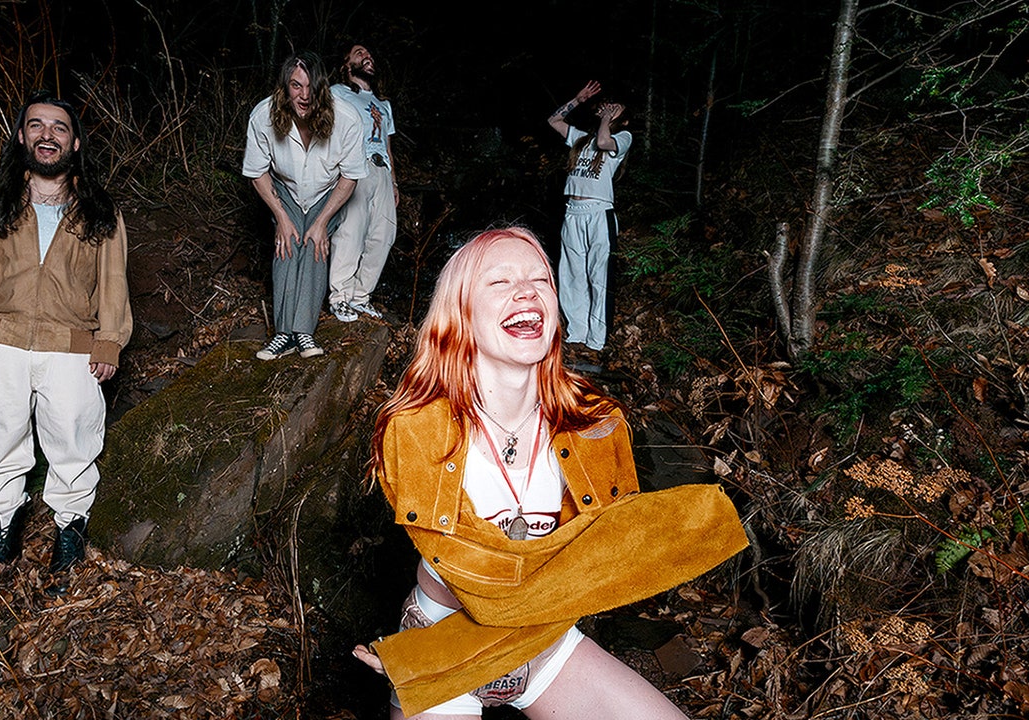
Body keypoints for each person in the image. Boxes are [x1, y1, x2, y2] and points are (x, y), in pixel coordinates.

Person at [351, 227, 747, 718]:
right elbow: (484, 585)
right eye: (500, 282)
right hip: (441, 640)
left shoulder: (596, 423)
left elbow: (604, 557)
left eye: (540, 279)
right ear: (460, 313)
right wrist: (424, 659)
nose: (526, 291)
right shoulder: (415, 429)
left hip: (544, 644)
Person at [0, 90, 132, 597]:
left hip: (71, 346)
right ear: (21, 136)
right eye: (36, 125)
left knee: (73, 444)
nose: (47, 135)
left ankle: (68, 540)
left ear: (75, 143)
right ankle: (1, 540)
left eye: (59, 127)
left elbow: (114, 282)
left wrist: (108, 342)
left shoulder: (100, 210)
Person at [243, 51, 367, 360]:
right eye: (296, 86)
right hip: (285, 189)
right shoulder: (262, 116)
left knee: (314, 242)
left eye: (311, 87)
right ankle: (283, 335)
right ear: (285, 87)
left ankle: (303, 333)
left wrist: (322, 222)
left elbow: (350, 177)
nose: (305, 95)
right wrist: (281, 217)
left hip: (327, 191)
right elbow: (257, 172)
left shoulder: (348, 118)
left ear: (322, 87)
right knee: (287, 241)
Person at [548, 81, 632, 351]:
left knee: (599, 275)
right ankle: (577, 334)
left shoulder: (623, 137)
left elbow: (604, 141)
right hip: (573, 212)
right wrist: (578, 99)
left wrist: (607, 119)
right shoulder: (581, 139)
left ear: (623, 118)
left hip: (599, 213)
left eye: (616, 108)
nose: (609, 109)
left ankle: (596, 340)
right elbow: (553, 121)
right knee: (572, 274)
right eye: (607, 105)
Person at [327, 43, 398, 323]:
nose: (367, 56)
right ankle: (340, 297)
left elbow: (387, 145)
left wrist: (394, 182)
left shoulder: (383, 104)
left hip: (382, 170)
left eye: (369, 54)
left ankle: (360, 296)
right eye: (359, 53)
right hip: (355, 166)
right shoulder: (337, 94)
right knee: (351, 231)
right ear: (346, 65)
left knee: (384, 235)